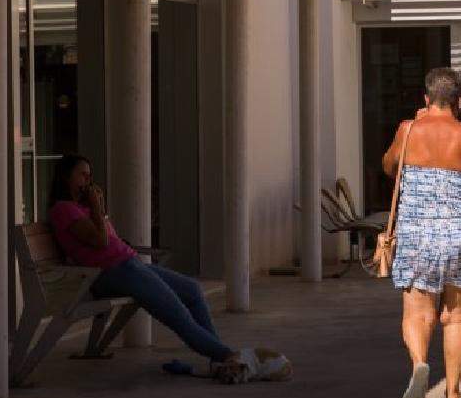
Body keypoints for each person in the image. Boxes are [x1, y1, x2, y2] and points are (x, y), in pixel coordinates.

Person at [46, 155, 288, 384]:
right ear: (65, 178)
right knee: (176, 313)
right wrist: (98, 209)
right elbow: (101, 242)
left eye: (90, 176)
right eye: (82, 175)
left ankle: (219, 357)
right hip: (111, 272)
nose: (88, 181)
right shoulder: (63, 210)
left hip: (129, 264)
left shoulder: (83, 207)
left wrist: (98, 209)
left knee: (192, 290)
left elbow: (111, 237)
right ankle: (230, 357)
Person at [380, 67, 461, 398]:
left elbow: (390, 166)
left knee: (418, 313)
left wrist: (412, 130)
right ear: (458, 100)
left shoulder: (408, 129)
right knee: (457, 315)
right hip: (460, 234)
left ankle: (420, 363)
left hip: (417, 232)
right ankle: (453, 395)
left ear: (426, 98)